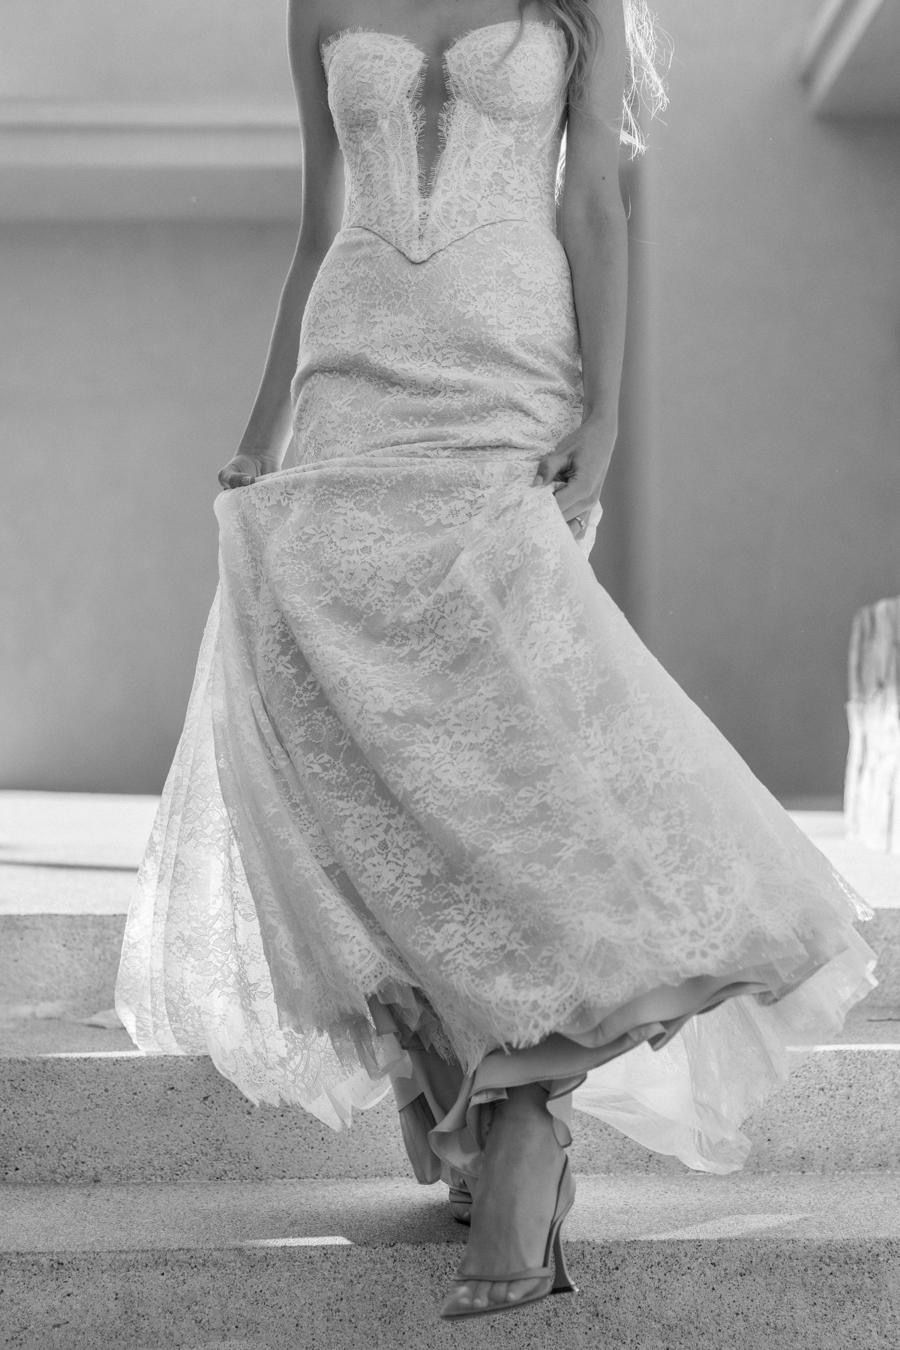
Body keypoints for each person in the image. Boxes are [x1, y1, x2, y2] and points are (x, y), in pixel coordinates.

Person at [115, 0, 879, 1323]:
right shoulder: (318, 1)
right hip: (354, 377)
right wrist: (262, 429)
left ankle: (526, 1114)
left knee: (510, 736)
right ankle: (468, 1082)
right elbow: (318, 228)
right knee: (359, 731)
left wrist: (606, 416)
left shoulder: (575, 2)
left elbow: (595, 203)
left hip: (508, 375)